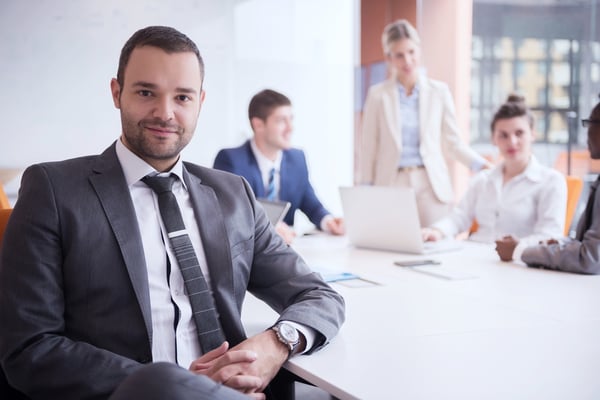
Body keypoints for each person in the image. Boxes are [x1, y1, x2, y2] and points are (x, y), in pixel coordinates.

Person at [0, 26, 345, 400]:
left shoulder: (233, 194)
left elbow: (318, 296)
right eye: (146, 92)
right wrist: (181, 387)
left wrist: (277, 342)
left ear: (200, 101)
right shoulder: (54, 190)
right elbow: (29, 347)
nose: (165, 113)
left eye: (182, 97)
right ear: (117, 93)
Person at [357, 19, 491, 227]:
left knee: (435, 244)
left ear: (419, 51)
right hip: (392, 182)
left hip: (430, 183)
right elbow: (368, 148)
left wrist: (480, 164)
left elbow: (453, 142)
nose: (407, 61)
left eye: (411, 52)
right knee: (391, 248)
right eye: (399, 55)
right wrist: (365, 190)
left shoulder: (439, 92)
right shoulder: (377, 95)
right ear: (389, 58)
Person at [422, 94, 567, 261]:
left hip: (517, 264)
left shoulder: (551, 181)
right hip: (473, 257)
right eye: (503, 135)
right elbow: (459, 217)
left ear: (532, 134)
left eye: (519, 133)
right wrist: (436, 231)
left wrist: (517, 247)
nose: (512, 142)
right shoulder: (483, 179)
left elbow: (549, 235)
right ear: (493, 139)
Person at [213, 89, 345, 244]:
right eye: (281, 120)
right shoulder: (231, 160)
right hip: (249, 254)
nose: (290, 128)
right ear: (258, 125)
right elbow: (230, 217)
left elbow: (310, 203)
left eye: (291, 119)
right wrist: (268, 230)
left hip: (286, 251)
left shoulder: (297, 159)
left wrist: (328, 221)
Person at [506, 100, 600, 274]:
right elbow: (587, 244)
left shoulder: (552, 179)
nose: (586, 132)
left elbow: (591, 258)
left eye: (591, 123)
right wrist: (562, 244)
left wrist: (520, 250)